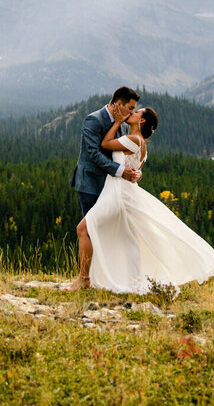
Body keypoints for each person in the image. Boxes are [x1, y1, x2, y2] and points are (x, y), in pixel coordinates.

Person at [83, 105, 214, 294]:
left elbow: (106, 144)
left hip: (119, 192)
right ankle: (131, 281)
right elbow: (133, 166)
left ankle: (95, 278)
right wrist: (138, 173)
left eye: (136, 112)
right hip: (124, 190)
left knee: (95, 230)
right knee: (130, 239)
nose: (131, 113)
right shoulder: (140, 142)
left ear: (141, 121)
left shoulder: (132, 139)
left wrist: (116, 121)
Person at [67, 86, 142, 291]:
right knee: (89, 230)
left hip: (111, 188)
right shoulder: (94, 119)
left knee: (112, 232)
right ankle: (85, 279)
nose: (132, 113)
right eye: (130, 108)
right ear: (118, 104)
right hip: (91, 183)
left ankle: (102, 278)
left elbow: (125, 155)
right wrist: (121, 171)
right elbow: (93, 153)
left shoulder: (121, 124)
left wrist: (135, 172)